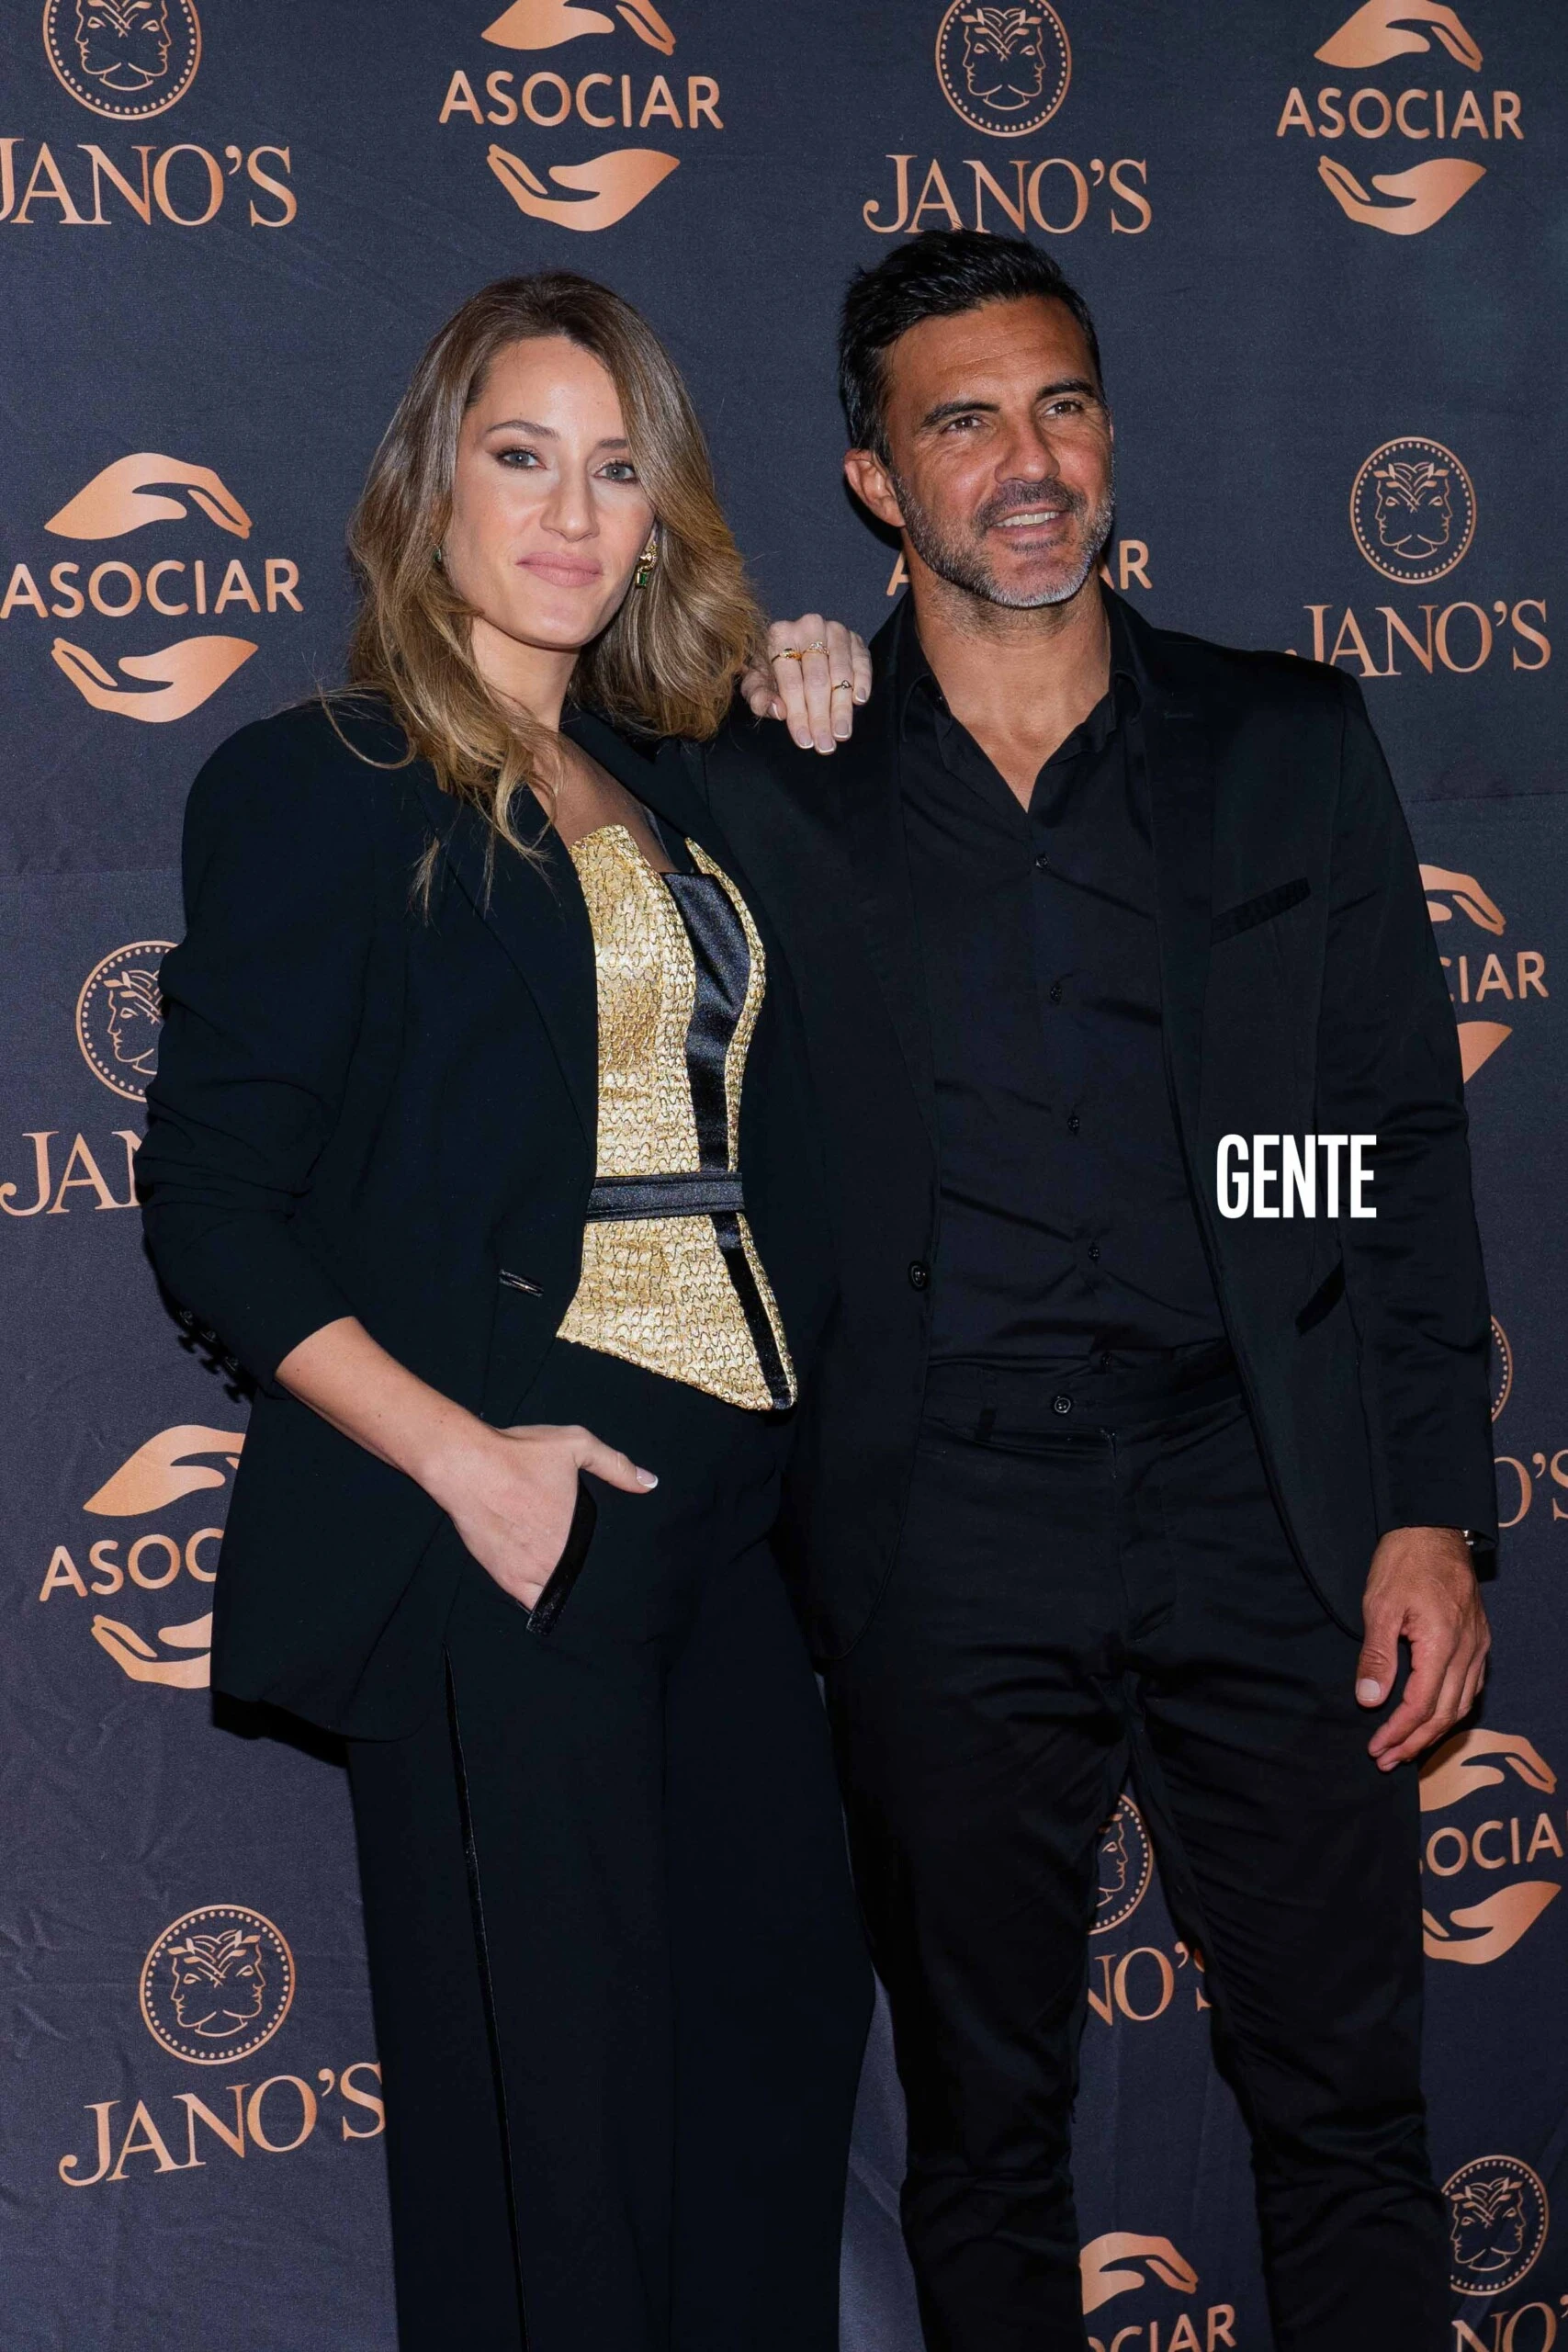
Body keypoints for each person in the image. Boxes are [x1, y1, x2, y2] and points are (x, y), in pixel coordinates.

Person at [696, 230, 1498, 2352]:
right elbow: (549, 739)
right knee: (984, 2133)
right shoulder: (780, 775)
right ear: (876, 480)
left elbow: (1375, 1142)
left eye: (1059, 406)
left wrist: (1422, 1504)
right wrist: (752, 655)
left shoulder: (1278, 741)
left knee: (1345, 2108)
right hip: (941, 1521)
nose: (1025, 462)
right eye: (960, 423)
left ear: (1111, 435)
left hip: (1257, 1498)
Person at [137, 272, 874, 2352]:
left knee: (768, 2061)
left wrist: (821, 665)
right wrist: (467, 1466)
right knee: (554, 2133)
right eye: (520, 456)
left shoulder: (687, 781)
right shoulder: (319, 782)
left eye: (615, 469)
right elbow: (213, 1207)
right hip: (513, 1530)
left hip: (736, 1520)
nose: (568, 512)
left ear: (660, 513)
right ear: (427, 489)